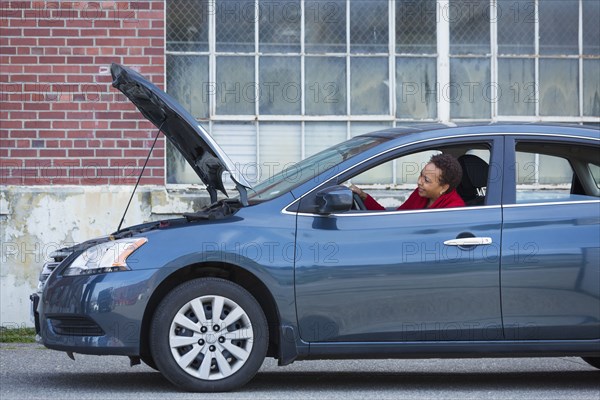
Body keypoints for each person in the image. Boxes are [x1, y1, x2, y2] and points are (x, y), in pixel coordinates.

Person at [350, 153, 465, 210]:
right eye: (421, 175)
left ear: (444, 187)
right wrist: (364, 196)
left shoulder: (454, 209)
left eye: (426, 180)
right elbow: (395, 220)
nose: (419, 182)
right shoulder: (420, 194)